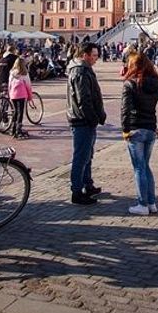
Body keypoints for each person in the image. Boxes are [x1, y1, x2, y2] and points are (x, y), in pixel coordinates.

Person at [120, 52, 158, 216]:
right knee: (145, 167)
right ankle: (151, 203)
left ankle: (142, 204)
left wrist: (125, 130)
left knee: (139, 168)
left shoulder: (130, 84)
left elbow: (125, 109)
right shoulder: (157, 83)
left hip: (136, 129)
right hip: (150, 129)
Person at [67, 42, 106, 205]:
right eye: (94, 55)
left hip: (86, 119)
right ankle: (77, 191)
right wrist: (93, 118)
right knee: (81, 156)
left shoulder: (85, 69)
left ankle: (87, 184)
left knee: (87, 155)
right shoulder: (80, 71)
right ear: (85, 55)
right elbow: (84, 99)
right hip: (81, 119)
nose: (96, 59)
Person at [7, 56, 32, 139]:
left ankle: (12, 129)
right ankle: (18, 129)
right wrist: (30, 96)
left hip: (13, 94)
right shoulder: (24, 73)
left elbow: (9, 85)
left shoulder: (12, 73)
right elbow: (28, 85)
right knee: (20, 112)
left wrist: (10, 94)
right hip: (21, 94)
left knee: (15, 111)